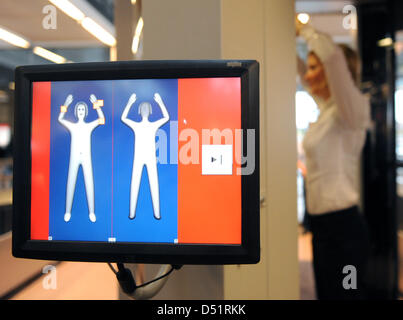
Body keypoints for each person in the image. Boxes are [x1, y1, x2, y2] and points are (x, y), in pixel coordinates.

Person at [296, 18, 371, 299]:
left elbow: (334, 57)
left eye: (315, 68)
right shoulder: (326, 112)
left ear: (332, 72)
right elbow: (300, 70)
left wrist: (304, 30)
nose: (308, 75)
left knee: (347, 296)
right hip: (322, 228)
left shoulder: (350, 111)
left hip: (345, 231)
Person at [121, 92, 170, 220]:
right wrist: (130, 103)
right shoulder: (136, 125)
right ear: (139, 111)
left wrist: (160, 102)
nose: (144, 110)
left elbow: (166, 117)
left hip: (150, 158)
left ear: (150, 111)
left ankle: (157, 213)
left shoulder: (153, 125)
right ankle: (132, 213)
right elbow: (123, 118)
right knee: (135, 183)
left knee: (154, 183)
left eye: (147, 108)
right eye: (142, 108)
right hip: (138, 159)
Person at [58, 94, 105, 223]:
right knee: (70, 183)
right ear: (75, 111)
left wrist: (96, 105)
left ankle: (91, 212)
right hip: (74, 158)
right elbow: (60, 119)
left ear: (86, 112)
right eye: (79, 109)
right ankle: (67, 212)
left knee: (89, 183)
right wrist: (66, 105)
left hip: (86, 158)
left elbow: (102, 119)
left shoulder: (89, 126)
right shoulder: (72, 126)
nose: (80, 111)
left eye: (83, 109)